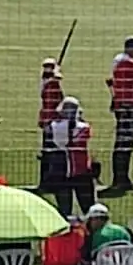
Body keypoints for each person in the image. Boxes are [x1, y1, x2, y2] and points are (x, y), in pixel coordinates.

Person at [106, 38, 133, 192]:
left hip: (122, 106)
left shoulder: (118, 62)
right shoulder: (129, 63)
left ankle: (122, 179)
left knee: (122, 143)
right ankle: (121, 179)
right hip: (129, 108)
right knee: (125, 144)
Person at [47, 97, 96, 218]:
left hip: (61, 171)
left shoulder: (53, 126)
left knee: (64, 211)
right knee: (88, 208)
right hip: (81, 171)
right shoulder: (84, 128)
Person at [37, 58, 65, 196]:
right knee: (52, 154)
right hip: (53, 123)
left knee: (47, 153)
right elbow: (57, 78)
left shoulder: (46, 82)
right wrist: (57, 70)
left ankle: (46, 182)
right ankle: (49, 182)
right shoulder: (52, 84)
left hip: (47, 121)